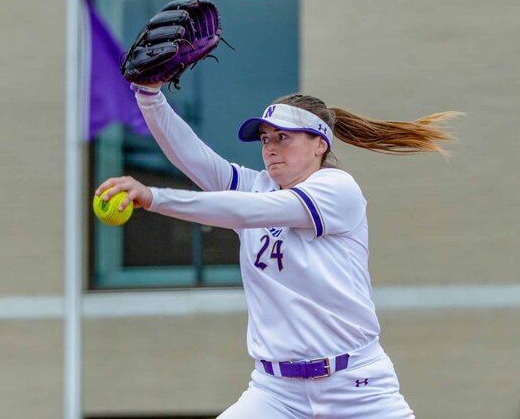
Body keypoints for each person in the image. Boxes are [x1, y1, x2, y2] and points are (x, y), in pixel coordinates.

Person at [96, 81, 459, 418]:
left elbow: (246, 210)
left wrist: (156, 197)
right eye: (265, 139)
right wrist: (148, 95)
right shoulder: (258, 185)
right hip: (276, 393)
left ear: (321, 144)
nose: (270, 148)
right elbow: (191, 156)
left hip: (357, 388)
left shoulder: (337, 189)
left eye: (283, 138)